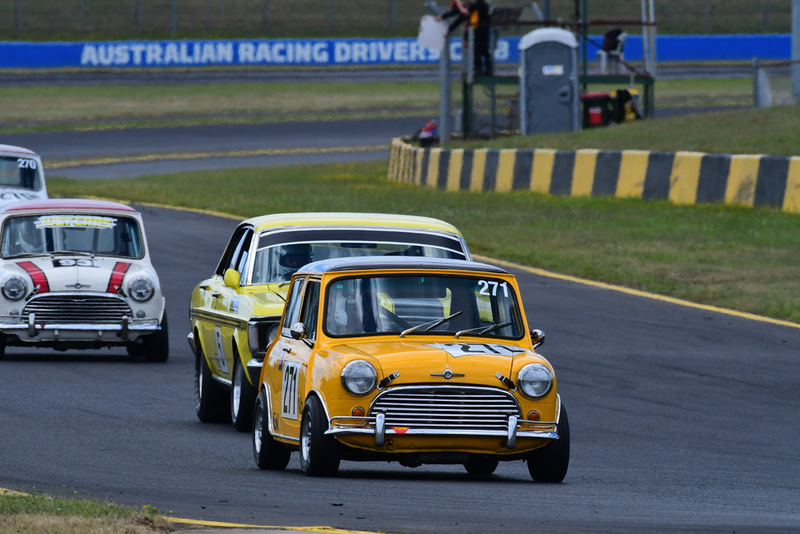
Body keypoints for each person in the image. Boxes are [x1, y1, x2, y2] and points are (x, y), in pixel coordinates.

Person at [467, 0, 492, 76]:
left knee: (477, 50)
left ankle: (478, 68)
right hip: (485, 31)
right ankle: (488, 67)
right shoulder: (485, 6)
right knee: (485, 49)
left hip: (478, 31)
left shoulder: (475, 6)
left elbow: (469, 14)